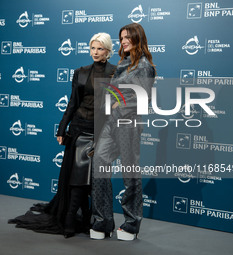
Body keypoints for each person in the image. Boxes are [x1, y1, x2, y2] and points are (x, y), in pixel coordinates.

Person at [8, 32, 116, 238]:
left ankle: (88, 218)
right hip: (79, 129)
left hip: (102, 132)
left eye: (100, 49)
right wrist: (61, 128)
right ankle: (69, 216)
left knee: (95, 180)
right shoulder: (81, 72)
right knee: (77, 175)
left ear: (108, 51)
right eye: (92, 48)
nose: (95, 52)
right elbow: (72, 103)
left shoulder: (116, 73)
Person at [90, 23, 156, 241]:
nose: (123, 41)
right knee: (99, 163)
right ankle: (103, 220)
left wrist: (118, 105)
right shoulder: (122, 63)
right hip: (111, 123)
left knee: (130, 174)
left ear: (138, 38)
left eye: (127, 37)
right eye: (121, 38)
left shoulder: (144, 66)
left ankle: (131, 224)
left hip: (129, 124)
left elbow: (142, 98)